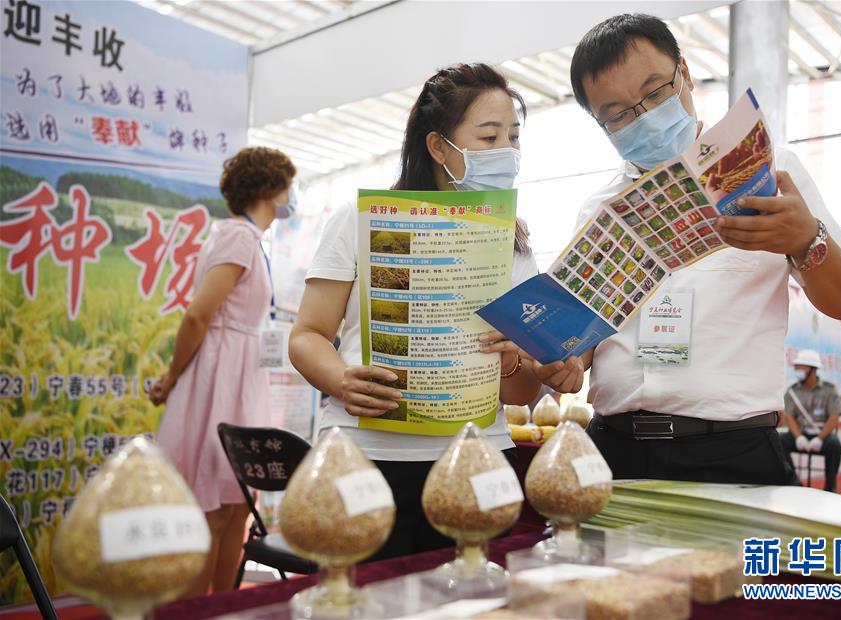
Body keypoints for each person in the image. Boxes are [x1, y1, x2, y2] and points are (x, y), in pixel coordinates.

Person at [537, 14, 841, 484]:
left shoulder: (767, 171)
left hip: (733, 451)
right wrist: (568, 361)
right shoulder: (599, 209)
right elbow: (587, 336)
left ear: (686, 74)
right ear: (599, 123)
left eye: (656, 92)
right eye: (618, 114)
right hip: (614, 450)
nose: (645, 118)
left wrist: (805, 239)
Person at [289, 63, 557, 560]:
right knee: (363, 591)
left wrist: (512, 361)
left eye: (513, 137)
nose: (507, 151)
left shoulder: (512, 242)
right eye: (489, 136)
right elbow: (307, 334)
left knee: (472, 590)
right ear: (438, 146)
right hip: (366, 452)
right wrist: (340, 380)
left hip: (477, 456)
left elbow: (519, 393)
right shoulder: (362, 219)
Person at [148, 147, 297, 595]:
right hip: (223, 374)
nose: (293, 195)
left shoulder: (248, 239)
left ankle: (222, 603)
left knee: (236, 503)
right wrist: (172, 379)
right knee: (214, 506)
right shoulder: (238, 237)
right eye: (289, 184)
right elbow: (199, 315)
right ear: (270, 188)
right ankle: (197, 608)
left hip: (239, 372)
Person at [780, 349, 841, 492]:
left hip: (822, 435)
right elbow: (789, 416)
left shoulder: (829, 390)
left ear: (813, 369)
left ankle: (830, 488)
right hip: (800, 434)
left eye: (800, 367)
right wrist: (798, 437)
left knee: (835, 446)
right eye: (796, 367)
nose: (797, 371)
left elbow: (834, 416)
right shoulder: (792, 391)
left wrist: (820, 439)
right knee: (779, 441)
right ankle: (794, 483)